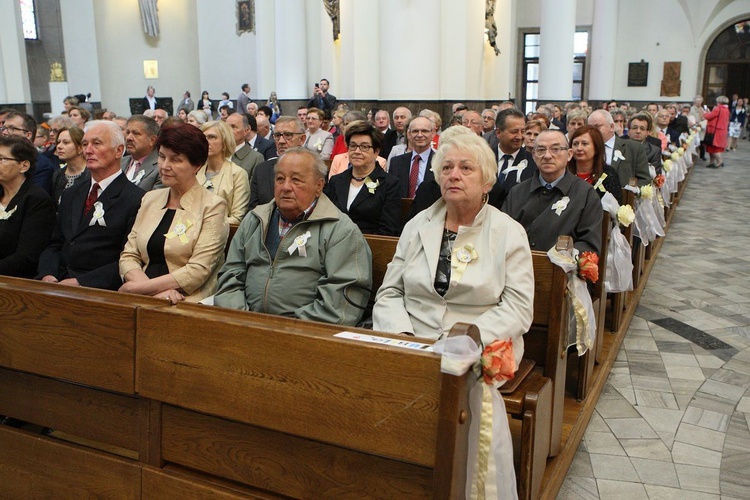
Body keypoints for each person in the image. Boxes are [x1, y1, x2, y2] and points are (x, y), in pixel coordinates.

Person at [372, 131, 533, 499]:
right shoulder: (418, 226)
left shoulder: (508, 232)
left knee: (470, 398)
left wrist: (464, 339)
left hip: (481, 345)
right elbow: (391, 292)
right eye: (446, 167)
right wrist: (405, 337)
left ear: (487, 179)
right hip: (413, 339)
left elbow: (519, 308)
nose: (453, 175)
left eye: (465, 168)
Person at [215, 147, 371, 325]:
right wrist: (242, 320)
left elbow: (341, 302)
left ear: (319, 186)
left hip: (304, 334)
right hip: (243, 325)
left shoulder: (340, 230)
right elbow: (231, 275)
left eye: (296, 180)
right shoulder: (255, 220)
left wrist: (288, 329)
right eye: (280, 179)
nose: (286, 187)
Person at [119, 123, 229, 304]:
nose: (165, 166)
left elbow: (197, 271)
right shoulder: (150, 199)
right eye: (162, 157)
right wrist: (154, 293)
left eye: (176, 160)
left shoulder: (212, 206)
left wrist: (136, 289)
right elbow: (129, 255)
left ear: (197, 166)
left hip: (186, 301)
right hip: (143, 297)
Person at [37, 121, 145, 290]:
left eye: (97, 143)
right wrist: (48, 273)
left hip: (100, 289)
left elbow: (129, 258)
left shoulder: (135, 198)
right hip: (58, 282)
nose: (88, 151)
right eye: (85, 144)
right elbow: (56, 243)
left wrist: (82, 282)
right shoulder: (71, 193)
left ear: (118, 150)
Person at [502, 129, 602, 254]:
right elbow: (503, 234)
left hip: (562, 270)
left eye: (555, 149)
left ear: (569, 154)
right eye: (541, 150)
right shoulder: (517, 192)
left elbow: (589, 244)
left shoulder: (585, 194)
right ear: (533, 155)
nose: (547, 156)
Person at [323, 121, 400, 236]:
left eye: (364, 147)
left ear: (376, 152)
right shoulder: (336, 181)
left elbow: (387, 230)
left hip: (371, 247)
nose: (357, 151)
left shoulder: (389, 184)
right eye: (353, 146)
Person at [0, 135, 56, 278]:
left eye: (2, 159)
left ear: (24, 166)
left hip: (18, 281)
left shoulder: (36, 200)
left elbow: (27, 257)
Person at [197, 121, 250, 224]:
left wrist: (205, 223)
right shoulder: (195, 170)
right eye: (203, 138)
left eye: (212, 137)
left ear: (225, 143)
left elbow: (237, 218)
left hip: (223, 235)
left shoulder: (238, 174)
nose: (206, 142)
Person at [249, 116, 307, 208]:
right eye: (277, 136)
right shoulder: (262, 170)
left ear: (302, 139)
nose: (281, 141)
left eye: (288, 135)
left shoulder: (313, 169)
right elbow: (252, 210)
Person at [587, 109, 651, 185]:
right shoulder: (585, 148)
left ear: (611, 127)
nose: (593, 131)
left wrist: (630, 191)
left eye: (597, 126)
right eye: (590, 128)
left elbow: (644, 180)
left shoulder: (634, 148)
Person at [1, 111, 56, 195]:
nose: (4, 132)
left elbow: (35, 198)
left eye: (12, 128)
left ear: (28, 135)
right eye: (4, 128)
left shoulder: (42, 165)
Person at [568, 125, 622, 203]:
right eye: (575, 144)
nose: (579, 148)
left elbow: (615, 208)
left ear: (596, 148)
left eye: (584, 144)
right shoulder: (564, 172)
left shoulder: (608, 174)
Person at [389, 116, 436, 198]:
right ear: (408, 134)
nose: (420, 135)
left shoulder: (440, 162)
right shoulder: (396, 162)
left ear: (432, 134)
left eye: (424, 131)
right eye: (415, 131)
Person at [52, 126, 90, 208]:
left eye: (66, 142)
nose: (59, 146)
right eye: (58, 142)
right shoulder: (58, 174)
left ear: (80, 147)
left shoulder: (92, 173)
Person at [121, 115, 162, 191]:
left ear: (152, 140)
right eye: (127, 132)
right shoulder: (119, 163)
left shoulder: (161, 168)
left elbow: (155, 201)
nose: (128, 138)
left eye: (135, 133)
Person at [226, 112, 265, 181]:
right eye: (226, 127)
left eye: (233, 127)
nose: (228, 130)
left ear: (247, 130)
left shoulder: (256, 158)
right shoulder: (218, 154)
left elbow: (254, 188)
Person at [704, 95, 730, 168]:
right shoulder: (726, 110)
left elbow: (708, 117)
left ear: (719, 102)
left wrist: (706, 112)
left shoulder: (718, 109)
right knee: (714, 147)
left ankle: (719, 161)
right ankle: (712, 162)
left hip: (714, 131)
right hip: (722, 130)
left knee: (714, 148)